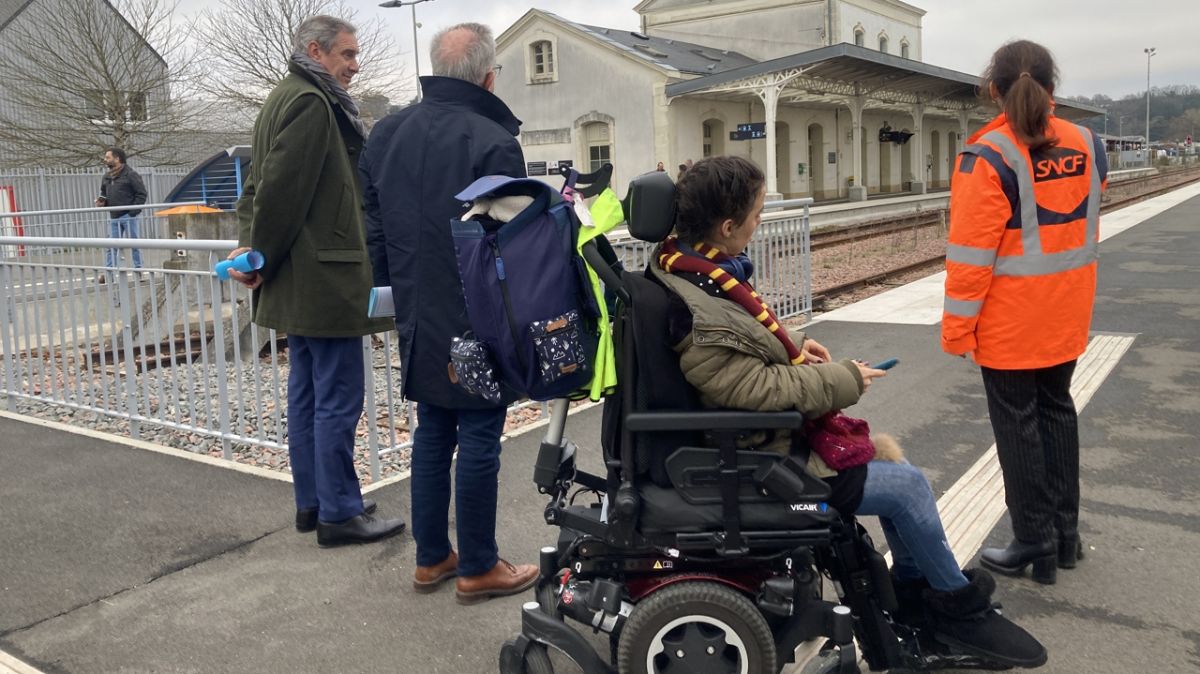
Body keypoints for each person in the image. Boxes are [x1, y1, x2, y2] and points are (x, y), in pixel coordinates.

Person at [653, 156, 1047, 668]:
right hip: (756, 457)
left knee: (900, 481)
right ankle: (954, 609)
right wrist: (844, 380)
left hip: (754, 443)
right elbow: (749, 386)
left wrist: (795, 343)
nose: (760, 222)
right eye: (755, 214)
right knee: (907, 488)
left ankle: (919, 597)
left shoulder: (689, 270)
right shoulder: (702, 302)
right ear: (727, 228)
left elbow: (741, 346)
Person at [360, 22, 536, 605]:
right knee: (482, 431)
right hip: (477, 312)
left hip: (416, 306)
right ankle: (480, 566)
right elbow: (513, 240)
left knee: (434, 431)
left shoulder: (387, 133)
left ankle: (432, 557)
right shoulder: (491, 138)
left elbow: (374, 222)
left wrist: (392, 287)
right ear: (488, 76)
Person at [228, 15, 404, 548]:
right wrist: (257, 257)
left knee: (307, 395)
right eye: (347, 55)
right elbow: (279, 192)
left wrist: (251, 246)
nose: (355, 65)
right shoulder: (310, 101)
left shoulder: (285, 95)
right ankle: (339, 512)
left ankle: (315, 502)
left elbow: (257, 184)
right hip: (324, 277)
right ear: (316, 50)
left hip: (302, 277)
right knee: (337, 397)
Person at [942, 40, 1106, 585]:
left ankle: (1032, 538)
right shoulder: (1089, 143)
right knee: (1058, 411)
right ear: (1052, 87)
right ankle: (1065, 538)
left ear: (994, 89)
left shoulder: (987, 155)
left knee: (1018, 427)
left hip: (1011, 324)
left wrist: (957, 330)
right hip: (1067, 312)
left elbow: (970, 257)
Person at [96, 147, 147, 281]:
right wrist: (102, 202)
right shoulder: (107, 176)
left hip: (128, 216)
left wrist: (133, 212)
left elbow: (141, 194)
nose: (105, 160)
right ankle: (109, 274)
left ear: (117, 159)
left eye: (108, 157)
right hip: (114, 216)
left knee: (134, 244)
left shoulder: (130, 174)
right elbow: (104, 194)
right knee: (111, 246)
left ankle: (139, 271)